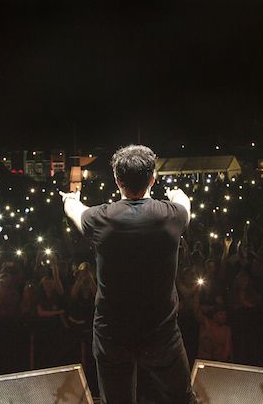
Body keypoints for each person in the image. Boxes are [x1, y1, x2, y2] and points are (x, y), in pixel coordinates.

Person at [60, 144, 196, 404]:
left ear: (117, 180)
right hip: (160, 332)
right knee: (181, 399)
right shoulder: (172, 215)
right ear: (152, 179)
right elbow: (184, 204)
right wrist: (176, 192)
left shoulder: (101, 218)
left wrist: (70, 199)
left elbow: (74, 211)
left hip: (113, 333)